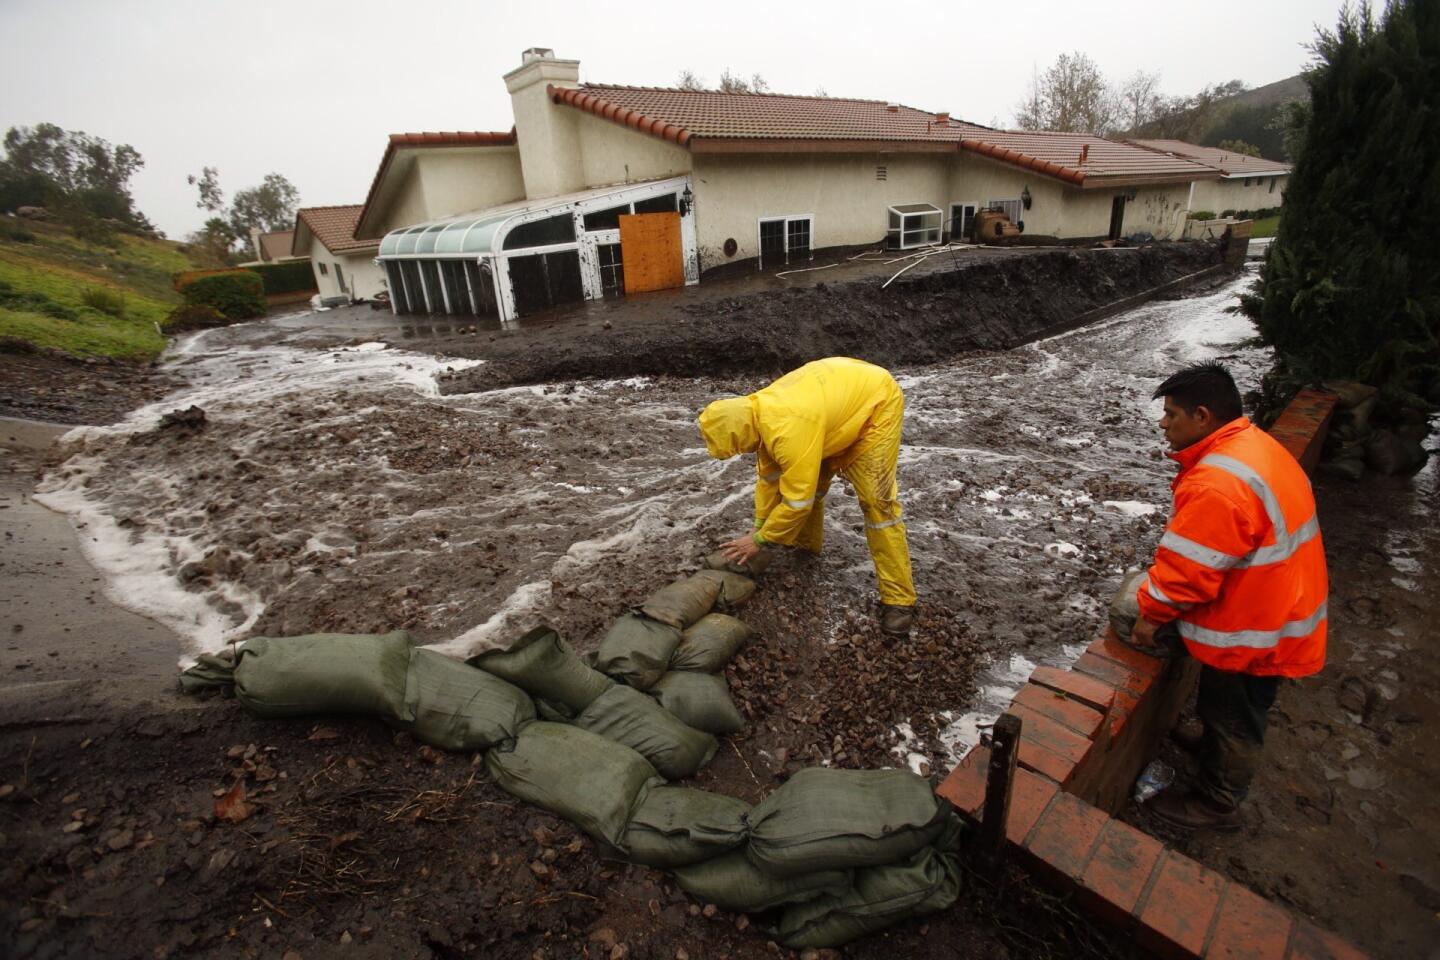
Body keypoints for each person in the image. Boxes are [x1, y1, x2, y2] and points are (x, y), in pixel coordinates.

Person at [1132, 362, 1328, 830]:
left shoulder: (1219, 483)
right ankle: (1213, 747)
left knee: (1236, 714)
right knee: (1237, 703)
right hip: (1278, 605)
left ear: (1203, 417)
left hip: (1256, 625)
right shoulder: (1253, 446)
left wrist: (1147, 617)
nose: (1163, 424)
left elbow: (1186, 575)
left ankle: (1218, 801)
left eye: (1171, 414)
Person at [697, 357, 917, 636]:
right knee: (809, 483)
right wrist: (759, 525)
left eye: (738, 447)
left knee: (878, 504)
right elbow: (769, 480)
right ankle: (805, 547)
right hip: (831, 405)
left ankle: (899, 600)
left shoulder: (788, 430)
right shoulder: (756, 414)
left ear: (741, 433)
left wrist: (760, 540)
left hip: (875, 403)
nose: (743, 452)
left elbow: (796, 502)